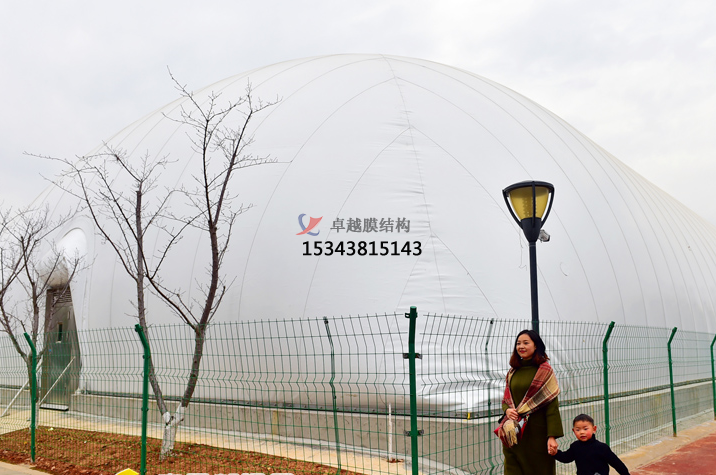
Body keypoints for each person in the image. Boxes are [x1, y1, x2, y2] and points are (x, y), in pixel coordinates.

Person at [496, 329, 564, 475]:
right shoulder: (513, 372)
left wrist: (551, 437)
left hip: (537, 436)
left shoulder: (545, 371)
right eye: (518, 343)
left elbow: (552, 407)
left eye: (526, 343)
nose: (521, 346)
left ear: (536, 346)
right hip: (514, 434)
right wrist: (507, 410)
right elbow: (507, 399)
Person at [552, 414, 630, 475]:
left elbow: (616, 463)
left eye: (585, 429)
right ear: (573, 431)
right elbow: (566, 458)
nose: (582, 432)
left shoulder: (602, 448)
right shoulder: (575, 446)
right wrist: (555, 453)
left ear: (594, 429)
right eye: (578, 429)